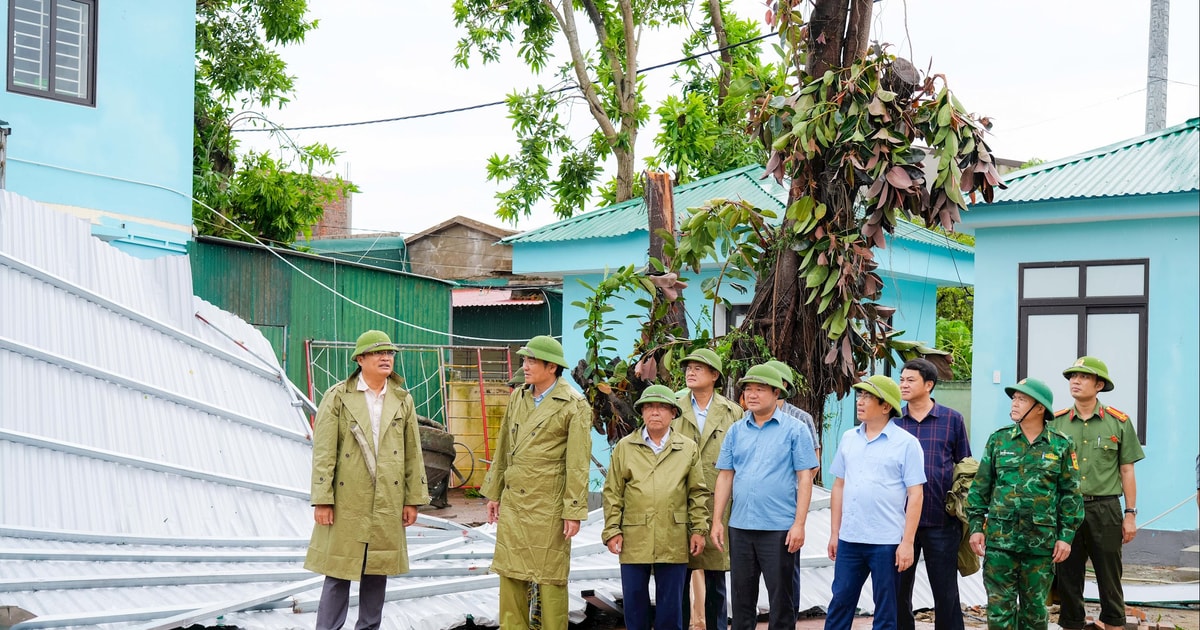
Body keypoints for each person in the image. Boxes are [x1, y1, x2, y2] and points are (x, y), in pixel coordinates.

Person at [305, 330, 431, 630]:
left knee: (377, 570)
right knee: (338, 571)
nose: (386, 357)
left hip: (388, 497)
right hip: (348, 498)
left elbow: (413, 452)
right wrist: (323, 498)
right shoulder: (338, 396)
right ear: (360, 360)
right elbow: (324, 450)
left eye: (389, 353)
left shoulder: (402, 398)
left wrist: (413, 499)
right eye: (377, 353)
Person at [481, 335, 593, 630]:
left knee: (551, 577)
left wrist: (573, 510)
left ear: (552, 367)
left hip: (549, 503)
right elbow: (504, 444)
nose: (525, 366)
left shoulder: (574, 404)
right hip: (515, 502)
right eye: (525, 360)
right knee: (511, 574)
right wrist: (494, 493)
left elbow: (578, 463)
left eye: (532, 360)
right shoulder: (519, 396)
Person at [966, 378, 1083, 630]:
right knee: (999, 611)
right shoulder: (999, 440)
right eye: (1014, 398)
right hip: (1000, 543)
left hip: (1040, 545)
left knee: (1035, 612)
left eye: (1022, 399)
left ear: (1039, 408)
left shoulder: (1061, 445)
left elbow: (1070, 494)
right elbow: (980, 488)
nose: (1015, 404)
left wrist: (1066, 536)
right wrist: (976, 527)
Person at [710, 364, 818, 630]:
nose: (752, 395)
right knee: (742, 599)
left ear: (776, 392)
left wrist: (799, 524)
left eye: (760, 389)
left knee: (781, 601)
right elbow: (725, 476)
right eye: (748, 389)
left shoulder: (795, 429)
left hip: (779, 528)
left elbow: (806, 477)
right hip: (741, 526)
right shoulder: (736, 430)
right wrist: (717, 521)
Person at [604, 384, 711, 630]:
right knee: (634, 603)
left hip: (672, 535)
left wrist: (698, 530)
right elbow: (612, 492)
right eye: (649, 407)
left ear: (673, 413)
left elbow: (697, 492)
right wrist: (612, 530)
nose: (655, 412)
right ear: (641, 412)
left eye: (662, 407)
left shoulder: (687, 448)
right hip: (633, 535)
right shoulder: (625, 447)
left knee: (670, 607)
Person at [1050, 356, 1145, 630]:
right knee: (1067, 577)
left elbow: (1127, 471)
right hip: (1066, 509)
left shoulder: (1119, 422)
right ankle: (1072, 624)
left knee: (1110, 578)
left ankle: (1114, 623)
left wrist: (1130, 514)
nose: (1075, 382)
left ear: (1099, 384)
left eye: (1083, 377)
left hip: (1105, 509)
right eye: (1072, 377)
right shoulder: (1056, 423)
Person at [825, 374, 926, 630]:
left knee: (886, 610)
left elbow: (916, 494)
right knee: (840, 603)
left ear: (885, 406)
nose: (860, 401)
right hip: (850, 539)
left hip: (887, 542)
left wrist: (907, 543)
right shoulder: (849, 438)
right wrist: (834, 533)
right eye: (860, 395)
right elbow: (839, 486)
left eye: (869, 397)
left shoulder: (907, 444)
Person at [893, 358, 971, 630]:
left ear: (929, 385)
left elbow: (965, 467)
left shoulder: (952, 419)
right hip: (899, 523)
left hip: (941, 520)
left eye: (910, 380)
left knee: (946, 592)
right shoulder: (893, 422)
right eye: (902, 379)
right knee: (898, 591)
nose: (903, 384)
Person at [672, 348, 744, 630]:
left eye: (698, 368)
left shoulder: (733, 412)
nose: (690, 371)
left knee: (716, 578)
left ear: (715, 375)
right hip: (678, 500)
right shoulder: (673, 405)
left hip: (719, 503)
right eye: (688, 367)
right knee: (676, 576)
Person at [764, 359, 820, 617]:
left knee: (787, 571)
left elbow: (813, 464)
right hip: (754, 512)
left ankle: (788, 619)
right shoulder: (744, 419)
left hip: (788, 506)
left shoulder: (800, 419)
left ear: (782, 386)